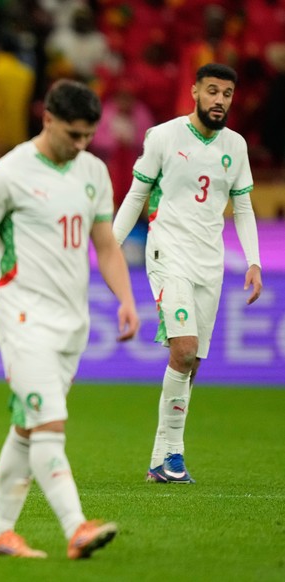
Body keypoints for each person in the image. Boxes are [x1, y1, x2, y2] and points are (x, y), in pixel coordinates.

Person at [0, 79, 139, 559]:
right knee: (50, 421)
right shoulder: (8, 172)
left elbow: (106, 244)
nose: (81, 145)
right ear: (47, 118)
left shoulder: (92, 170)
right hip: (22, 315)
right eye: (73, 134)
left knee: (29, 428)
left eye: (88, 136)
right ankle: (76, 527)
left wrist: (127, 299)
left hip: (73, 323)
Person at [112, 63, 262, 485]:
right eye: (212, 90)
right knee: (184, 349)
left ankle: (161, 460)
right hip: (168, 251)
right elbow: (137, 193)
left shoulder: (236, 145)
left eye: (227, 93)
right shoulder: (163, 136)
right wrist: (111, 244)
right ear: (194, 91)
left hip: (209, 262)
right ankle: (173, 455)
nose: (219, 100)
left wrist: (253, 260)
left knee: (191, 361)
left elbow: (245, 207)